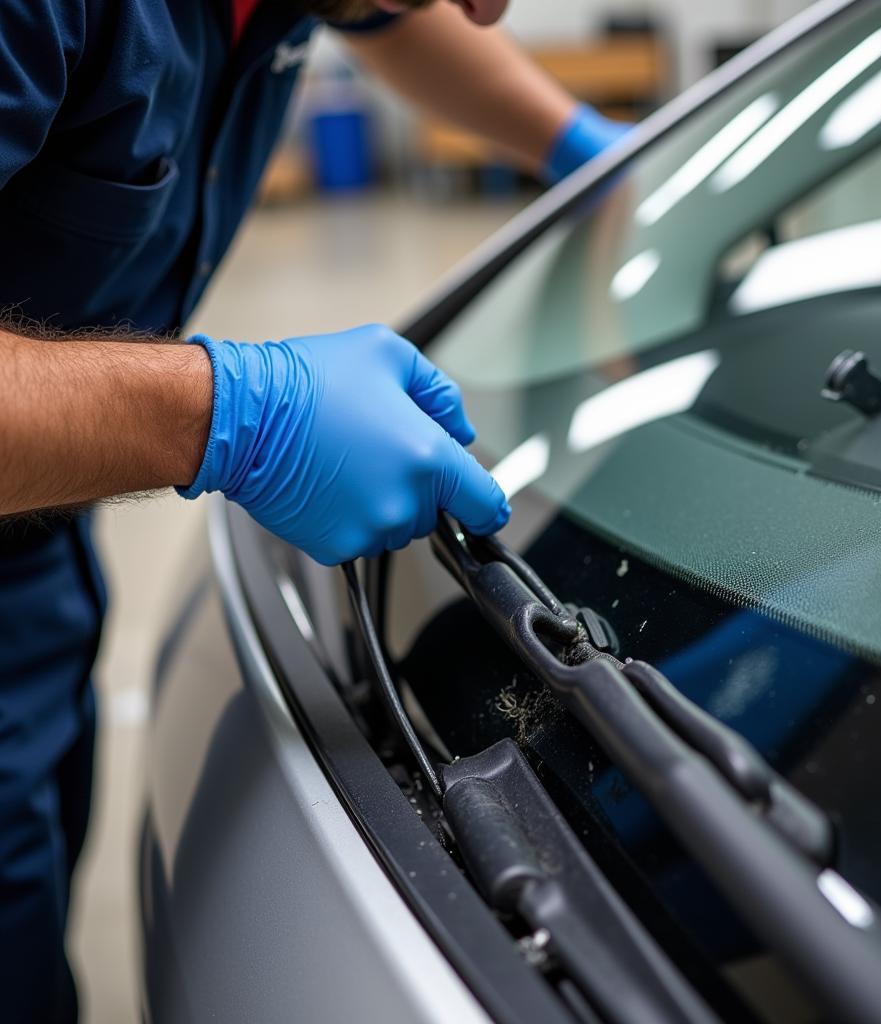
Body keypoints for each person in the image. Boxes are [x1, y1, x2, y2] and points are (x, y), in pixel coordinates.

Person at [0, 0, 630, 1019]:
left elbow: (392, 16)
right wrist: (226, 416)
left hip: (37, 537)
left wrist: (577, 146)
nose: (488, 10)